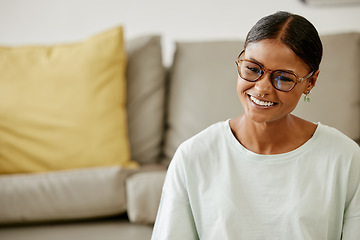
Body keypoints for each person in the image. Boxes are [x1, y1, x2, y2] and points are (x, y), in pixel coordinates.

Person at [151, 11, 360, 239]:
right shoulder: (193, 156)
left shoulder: (345, 158)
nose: (262, 88)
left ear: (310, 82)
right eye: (252, 69)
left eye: (283, 78)